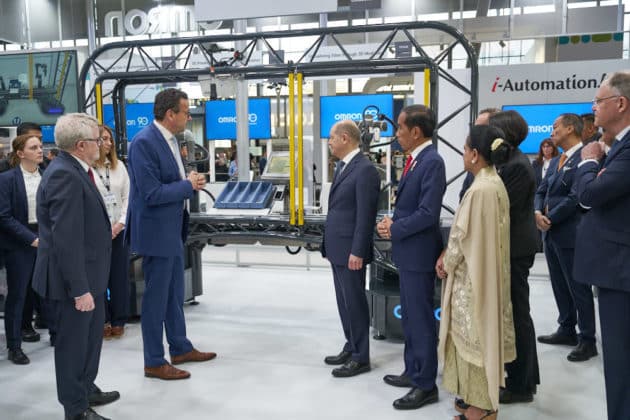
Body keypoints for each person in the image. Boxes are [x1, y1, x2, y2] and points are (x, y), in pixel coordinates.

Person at [32, 113, 119, 420]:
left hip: (90, 276)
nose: (102, 144)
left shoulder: (78, 170)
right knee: (73, 345)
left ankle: (86, 388)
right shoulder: (64, 175)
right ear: (82, 145)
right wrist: (80, 289)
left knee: (90, 339)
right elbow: (66, 239)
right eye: (98, 139)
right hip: (73, 283)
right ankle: (76, 408)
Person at [126, 88, 216, 380]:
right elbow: (151, 193)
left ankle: (179, 347)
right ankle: (153, 360)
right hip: (155, 233)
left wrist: (189, 182)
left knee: (175, 294)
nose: (189, 117)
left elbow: (171, 182)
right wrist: (187, 186)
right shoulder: (144, 143)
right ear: (170, 114)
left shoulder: (171, 141)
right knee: (155, 300)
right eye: (186, 112)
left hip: (172, 230)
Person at [437, 125, 515, 420]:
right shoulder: (492, 182)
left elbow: (461, 236)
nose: (462, 153)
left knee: (477, 337)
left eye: (465, 148)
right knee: (475, 336)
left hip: (475, 278)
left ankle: (482, 409)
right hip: (484, 272)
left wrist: (447, 261)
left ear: (474, 154)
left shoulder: (481, 189)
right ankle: (475, 401)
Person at [376, 104, 445, 410]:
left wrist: (396, 227)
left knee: (420, 320)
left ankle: (425, 384)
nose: (397, 134)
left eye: (401, 128)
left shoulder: (432, 162)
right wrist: (393, 221)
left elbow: (428, 214)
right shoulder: (416, 161)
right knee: (412, 319)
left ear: (416, 131)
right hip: (409, 253)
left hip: (418, 253)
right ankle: (412, 370)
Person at [573, 71, 630, 420]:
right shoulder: (619, 146)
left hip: (620, 271)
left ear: (620, 103)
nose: (592, 107)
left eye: (599, 100)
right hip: (614, 268)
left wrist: (590, 160)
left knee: (620, 362)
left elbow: (590, 193)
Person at [488, 110, 540, 404]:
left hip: (516, 250)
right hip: (511, 248)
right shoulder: (509, 162)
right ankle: (519, 376)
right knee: (514, 313)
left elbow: (500, 207)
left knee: (518, 314)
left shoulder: (517, 166)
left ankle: (522, 384)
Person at [535, 114, 597, 362]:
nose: (552, 132)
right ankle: (566, 328)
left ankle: (588, 339)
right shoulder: (556, 160)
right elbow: (542, 190)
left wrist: (551, 218)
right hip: (550, 233)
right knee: (559, 284)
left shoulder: (585, 157)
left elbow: (576, 196)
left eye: (556, 127)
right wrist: (538, 212)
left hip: (571, 232)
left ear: (570, 128)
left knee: (578, 287)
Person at [321, 120, 380, 378]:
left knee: (354, 303)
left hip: (350, 251)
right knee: (344, 302)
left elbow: (365, 216)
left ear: (345, 138)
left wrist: (358, 250)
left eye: (332, 138)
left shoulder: (365, 170)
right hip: (337, 248)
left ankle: (361, 356)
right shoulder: (343, 167)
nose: (330, 142)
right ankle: (351, 344)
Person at [0, 134, 44, 364]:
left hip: (48, 238)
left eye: (40, 145)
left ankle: (57, 334)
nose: (40, 150)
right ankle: (14, 346)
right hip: (20, 242)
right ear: (20, 153)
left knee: (51, 291)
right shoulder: (7, 179)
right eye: (33, 147)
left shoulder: (48, 175)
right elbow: (4, 217)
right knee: (17, 296)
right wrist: (31, 239)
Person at [93, 125, 130, 340]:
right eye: (103, 139)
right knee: (99, 279)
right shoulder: (87, 169)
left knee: (119, 278)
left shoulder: (120, 167)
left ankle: (119, 320)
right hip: (96, 234)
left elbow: (128, 199)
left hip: (119, 231)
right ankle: (103, 319)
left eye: (110, 139)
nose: (108, 143)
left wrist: (119, 225)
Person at [459, 108, 499, 202]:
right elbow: (463, 198)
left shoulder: (504, 166)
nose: (474, 133)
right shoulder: (475, 165)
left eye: (479, 128)